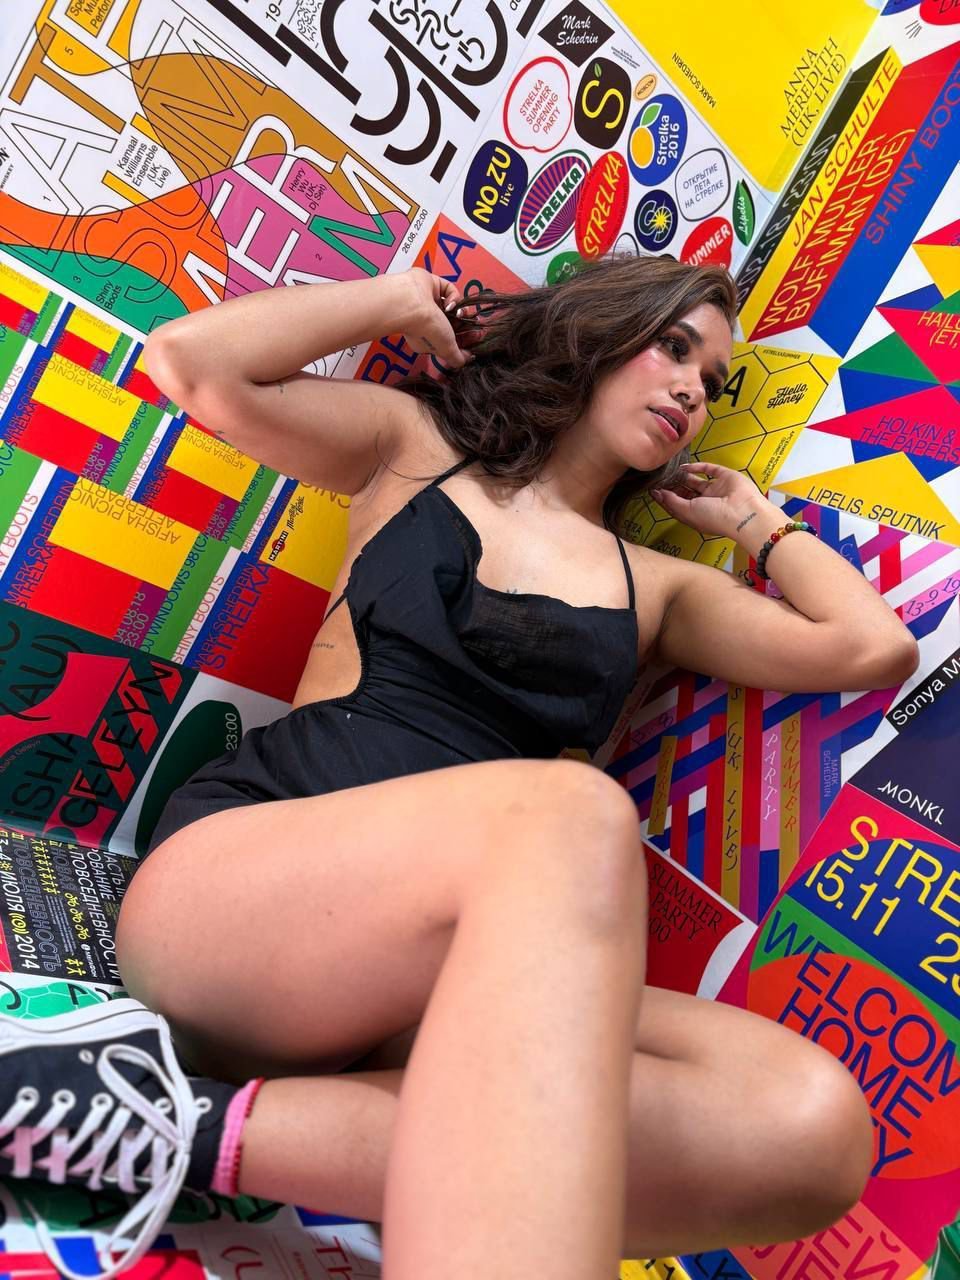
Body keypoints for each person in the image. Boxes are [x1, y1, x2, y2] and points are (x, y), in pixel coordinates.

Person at [0, 257, 917, 1280]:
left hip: (425, 995)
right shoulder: (412, 450)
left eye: (710, 381)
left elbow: (871, 648)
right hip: (241, 898)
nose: (692, 392)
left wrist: (755, 523)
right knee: (574, 813)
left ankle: (151, 1120)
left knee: (809, 1126)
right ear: (598, 330)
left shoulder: (658, 589)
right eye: (673, 347)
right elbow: (192, 363)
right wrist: (396, 300)